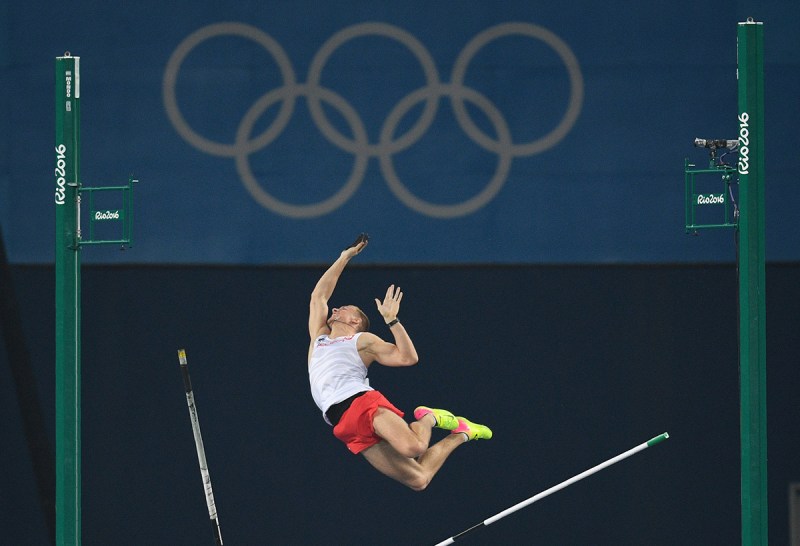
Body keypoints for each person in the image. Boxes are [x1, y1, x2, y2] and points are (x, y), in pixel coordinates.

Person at [308, 234, 492, 491]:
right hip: (343, 424)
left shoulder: (362, 340)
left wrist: (393, 322)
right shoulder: (319, 338)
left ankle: (427, 418)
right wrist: (344, 257)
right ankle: (463, 433)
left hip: (361, 404)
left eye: (346, 308)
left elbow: (408, 357)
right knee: (419, 480)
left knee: (415, 447)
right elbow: (319, 297)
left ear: (355, 321)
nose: (336, 308)